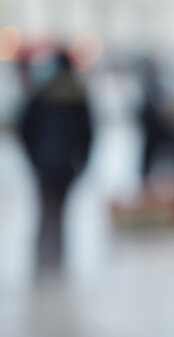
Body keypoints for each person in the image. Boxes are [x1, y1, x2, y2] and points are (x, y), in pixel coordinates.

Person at [18, 49, 94, 273]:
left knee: (45, 210)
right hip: (67, 165)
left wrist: (33, 158)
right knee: (59, 212)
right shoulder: (78, 95)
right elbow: (87, 134)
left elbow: (25, 129)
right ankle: (58, 258)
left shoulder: (41, 93)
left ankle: (42, 258)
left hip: (43, 163)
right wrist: (82, 162)